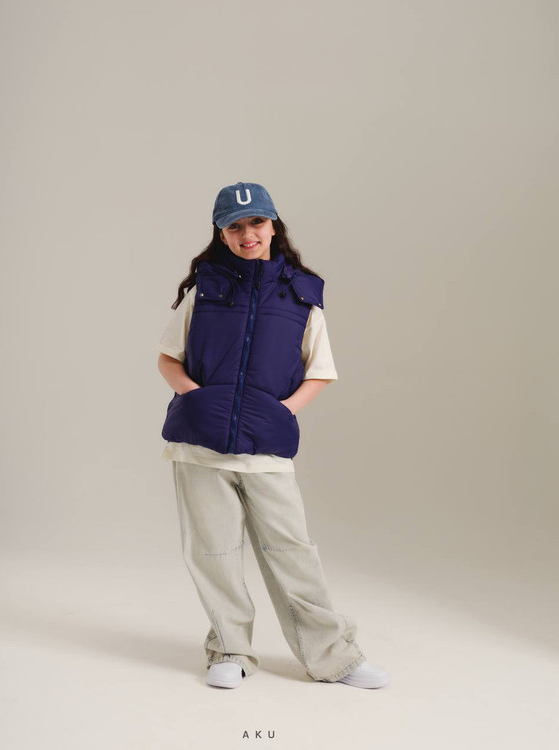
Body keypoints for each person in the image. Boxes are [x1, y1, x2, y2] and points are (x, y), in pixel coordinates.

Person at [157, 181, 390, 690]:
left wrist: (282, 412)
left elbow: (320, 371)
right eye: (235, 226)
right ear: (221, 233)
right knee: (213, 554)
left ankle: (334, 658)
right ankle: (230, 651)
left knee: (293, 553)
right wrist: (195, 398)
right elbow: (168, 358)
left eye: (257, 222)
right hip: (199, 445)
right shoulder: (205, 289)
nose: (248, 234)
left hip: (266, 446)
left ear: (273, 224)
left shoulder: (301, 293)